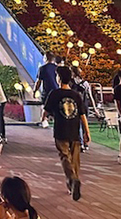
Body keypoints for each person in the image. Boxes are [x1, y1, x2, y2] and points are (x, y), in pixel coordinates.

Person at [43, 66, 88, 200]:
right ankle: (73, 183)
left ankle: (73, 179)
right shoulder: (76, 95)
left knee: (64, 156)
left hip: (61, 130)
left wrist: (43, 118)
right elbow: (82, 115)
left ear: (59, 78)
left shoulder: (54, 94)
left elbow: (46, 110)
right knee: (75, 159)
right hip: (75, 130)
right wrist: (87, 132)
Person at [33, 53, 59, 128]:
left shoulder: (43, 68)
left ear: (46, 58)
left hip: (47, 91)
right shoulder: (57, 68)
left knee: (44, 107)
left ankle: (44, 121)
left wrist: (35, 91)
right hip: (57, 91)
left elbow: (38, 81)